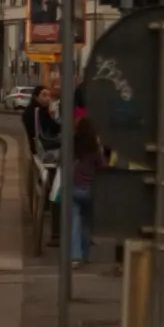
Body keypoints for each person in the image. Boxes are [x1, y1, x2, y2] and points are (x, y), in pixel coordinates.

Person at [69, 113, 101, 266]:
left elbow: (61, 160)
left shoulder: (72, 145)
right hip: (89, 189)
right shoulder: (95, 148)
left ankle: (75, 256)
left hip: (73, 187)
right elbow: (103, 165)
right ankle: (85, 255)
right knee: (87, 223)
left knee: (75, 222)